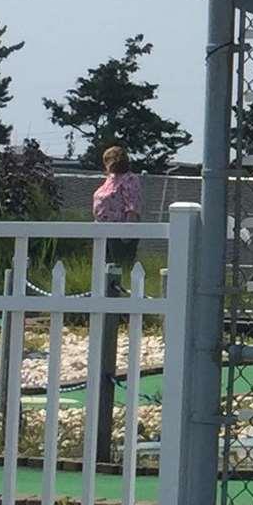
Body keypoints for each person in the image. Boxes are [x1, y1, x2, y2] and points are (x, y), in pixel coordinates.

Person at [90, 146, 143, 462]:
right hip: (104, 231)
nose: (111, 163)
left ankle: (123, 311)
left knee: (120, 273)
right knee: (104, 274)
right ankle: (112, 309)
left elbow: (133, 207)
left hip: (122, 233)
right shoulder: (106, 180)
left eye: (113, 159)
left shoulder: (130, 180)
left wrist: (127, 233)